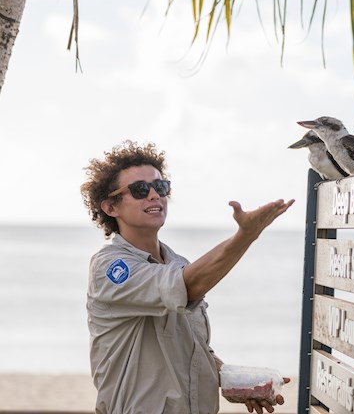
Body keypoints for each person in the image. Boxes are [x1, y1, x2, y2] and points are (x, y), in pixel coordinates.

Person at [80, 140, 295, 414]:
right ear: (111, 207)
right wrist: (246, 235)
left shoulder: (177, 264)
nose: (154, 195)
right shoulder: (109, 268)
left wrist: (235, 381)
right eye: (140, 189)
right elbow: (188, 286)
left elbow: (191, 347)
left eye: (160, 187)